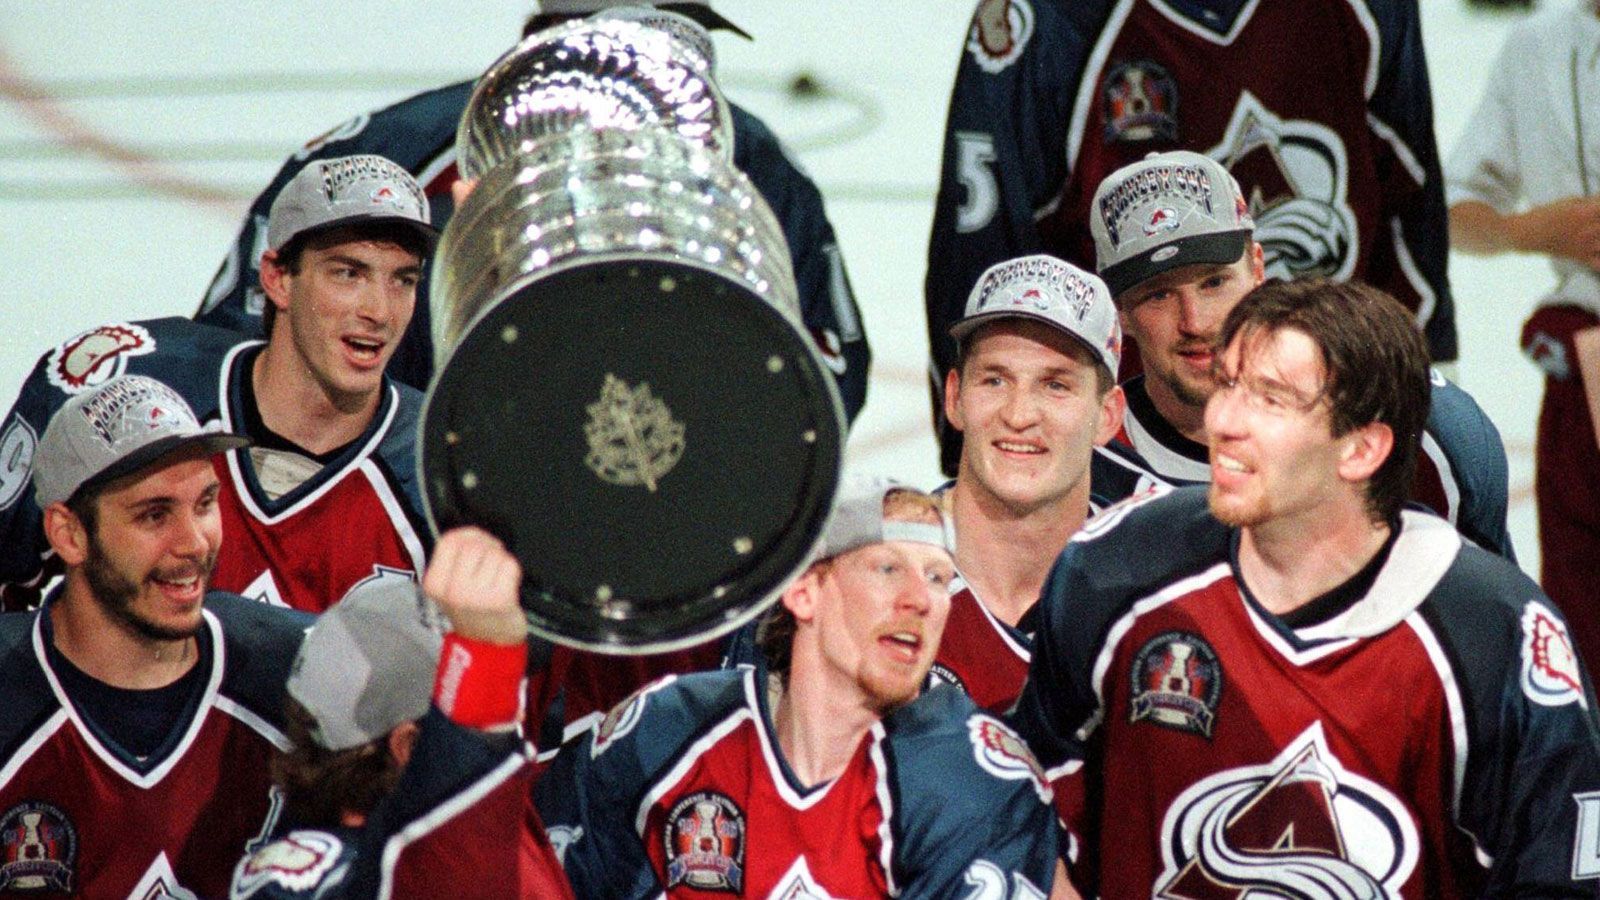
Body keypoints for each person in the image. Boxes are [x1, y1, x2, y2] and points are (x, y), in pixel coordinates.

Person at [1010, 278, 1600, 896]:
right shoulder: (1116, 565)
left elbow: (1561, 878)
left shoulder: (1494, 634)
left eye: (1271, 398)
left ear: (1362, 448)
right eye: (1229, 383)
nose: (1222, 420)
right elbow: (1024, 791)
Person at [195, 0, 871, 424]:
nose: (681, 98)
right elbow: (236, 375)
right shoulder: (383, 162)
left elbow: (824, 385)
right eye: (640, 65)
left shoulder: (750, 158)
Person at [924, 0, 1455, 475]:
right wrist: (971, 477)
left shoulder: (1369, 11)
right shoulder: (1046, 22)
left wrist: (1422, 405)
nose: (1196, 322)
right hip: (1114, 459)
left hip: (1328, 439)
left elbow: (1411, 218)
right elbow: (980, 277)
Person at [536, 476, 1064, 898]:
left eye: (936, 577)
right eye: (887, 568)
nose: (921, 600)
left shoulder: (975, 783)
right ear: (804, 592)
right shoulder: (661, 735)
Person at [0, 154, 436, 613]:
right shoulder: (117, 388)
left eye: (402, 281)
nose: (380, 312)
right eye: (348, 273)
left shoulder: (442, 471)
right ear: (277, 279)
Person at [1085, 150, 1515, 558]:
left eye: (1214, 283)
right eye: (1158, 295)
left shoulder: (1423, 429)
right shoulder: (1085, 464)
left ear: (1257, 267)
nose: (1194, 322)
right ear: (1118, 309)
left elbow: (1495, 620)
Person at [0, 375, 311, 897]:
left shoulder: (302, 674)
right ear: (68, 534)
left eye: (206, 503)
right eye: (154, 514)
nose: (193, 543)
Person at [229, 526, 573, 899]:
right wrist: (482, 671)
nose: (515, 719)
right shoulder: (300, 881)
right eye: (447, 710)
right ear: (408, 745)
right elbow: (434, 872)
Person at [1445, 1, 1600, 665]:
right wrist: (1530, 230)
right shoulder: (1536, 44)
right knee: (1580, 615)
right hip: (1580, 357)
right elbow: (1452, 210)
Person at [930, 254, 1124, 712]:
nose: (1018, 416)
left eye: (1055, 386)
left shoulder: (1147, 592)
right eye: (995, 380)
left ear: (1108, 416)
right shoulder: (876, 574)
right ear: (955, 398)